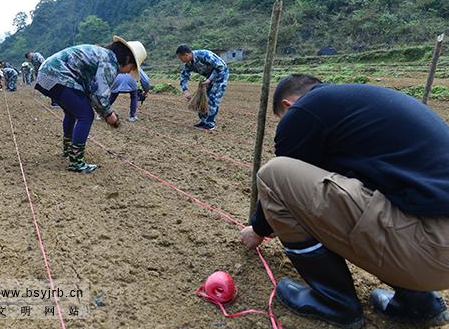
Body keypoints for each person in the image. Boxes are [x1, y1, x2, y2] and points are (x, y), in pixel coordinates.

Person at [241, 74, 449, 328]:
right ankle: (417, 302)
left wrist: (259, 228)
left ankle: (333, 301)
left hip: (428, 248)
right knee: (365, 192)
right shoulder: (360, 110)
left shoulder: (305, 110)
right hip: (435, 247)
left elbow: (284, 184)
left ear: (288, 105)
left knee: (274, 175)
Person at [34, 36, 147, 173]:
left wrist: (104, 111)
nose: (130, 71)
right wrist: (109, 115)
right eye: (132, 67)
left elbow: (91, 91)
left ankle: (69, 150)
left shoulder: (103, 54)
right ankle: (76, 161)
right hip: (58, 75)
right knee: (86, 115)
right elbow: (99, 95)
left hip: (46, 75)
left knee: (72, 112)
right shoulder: (110, 62)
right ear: (128, 59)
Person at [176, 44, 229, 131]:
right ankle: (203, 121)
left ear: (186, 55)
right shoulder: (189, 63)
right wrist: (185, 90)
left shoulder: (204, 55)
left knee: (213, 98)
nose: (180, 60)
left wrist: (209, 79)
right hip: (208, 77)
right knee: (203, 99)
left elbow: (221, 67)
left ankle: (210, 123)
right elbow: (184, 76)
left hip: (220, 76)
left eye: (180, 57)